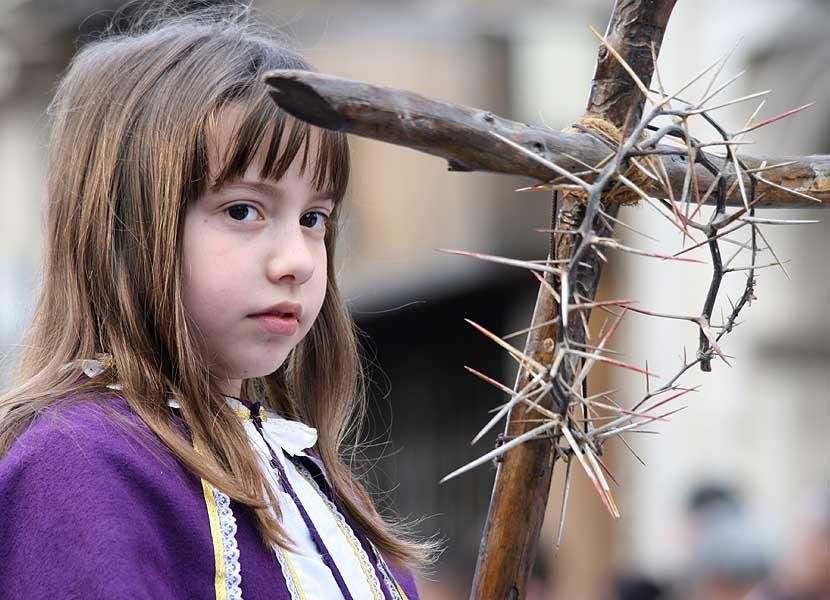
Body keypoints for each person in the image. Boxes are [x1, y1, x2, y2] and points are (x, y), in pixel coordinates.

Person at [0, 6, 433, 599]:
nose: (298, 261)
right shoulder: (78, 463)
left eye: (313, 218)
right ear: (126, 227)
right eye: (243, 211)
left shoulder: (318, 484)